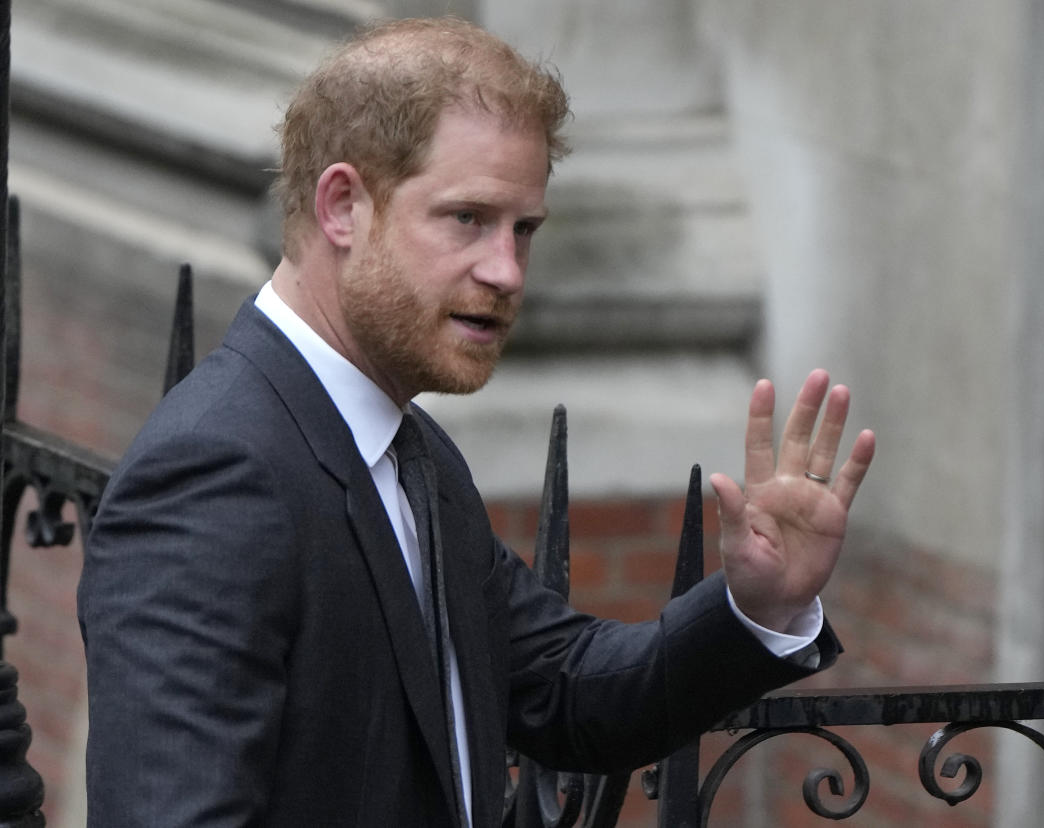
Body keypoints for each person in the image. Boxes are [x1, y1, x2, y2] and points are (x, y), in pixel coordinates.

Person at [77, 16, 876, 828]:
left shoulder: (411, 451)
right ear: (343, 206)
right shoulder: (215, 471)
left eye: (523, 230)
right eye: (468, 219)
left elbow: (565, 687)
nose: (506, 271)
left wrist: (757, 605)